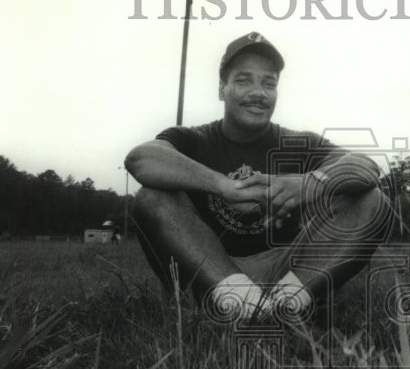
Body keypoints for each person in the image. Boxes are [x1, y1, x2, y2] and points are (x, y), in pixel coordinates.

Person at [126, 31, 390, 321]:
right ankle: (244, 302)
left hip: (283, 270)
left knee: (370, 199)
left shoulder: (298, 143)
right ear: (221, 89)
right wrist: (225, 186)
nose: (258, 93)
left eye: (269, 83)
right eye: (243, 80)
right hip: (207, 269)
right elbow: (141, 158)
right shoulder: (192, 139)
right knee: (151, 196)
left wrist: (309, 184)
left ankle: (286, 302)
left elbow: (366, 167)